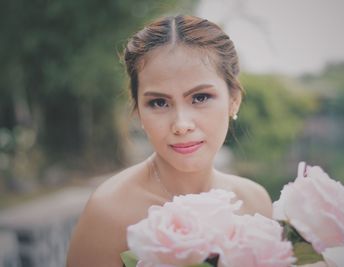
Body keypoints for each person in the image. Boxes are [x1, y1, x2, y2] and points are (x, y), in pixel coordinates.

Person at [66, 14, 274, 267]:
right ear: (138, 112)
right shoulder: (109, 212)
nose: (181, 125)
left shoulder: (255, 202)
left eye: (200, 98)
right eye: (159, 103)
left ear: (233, 100)